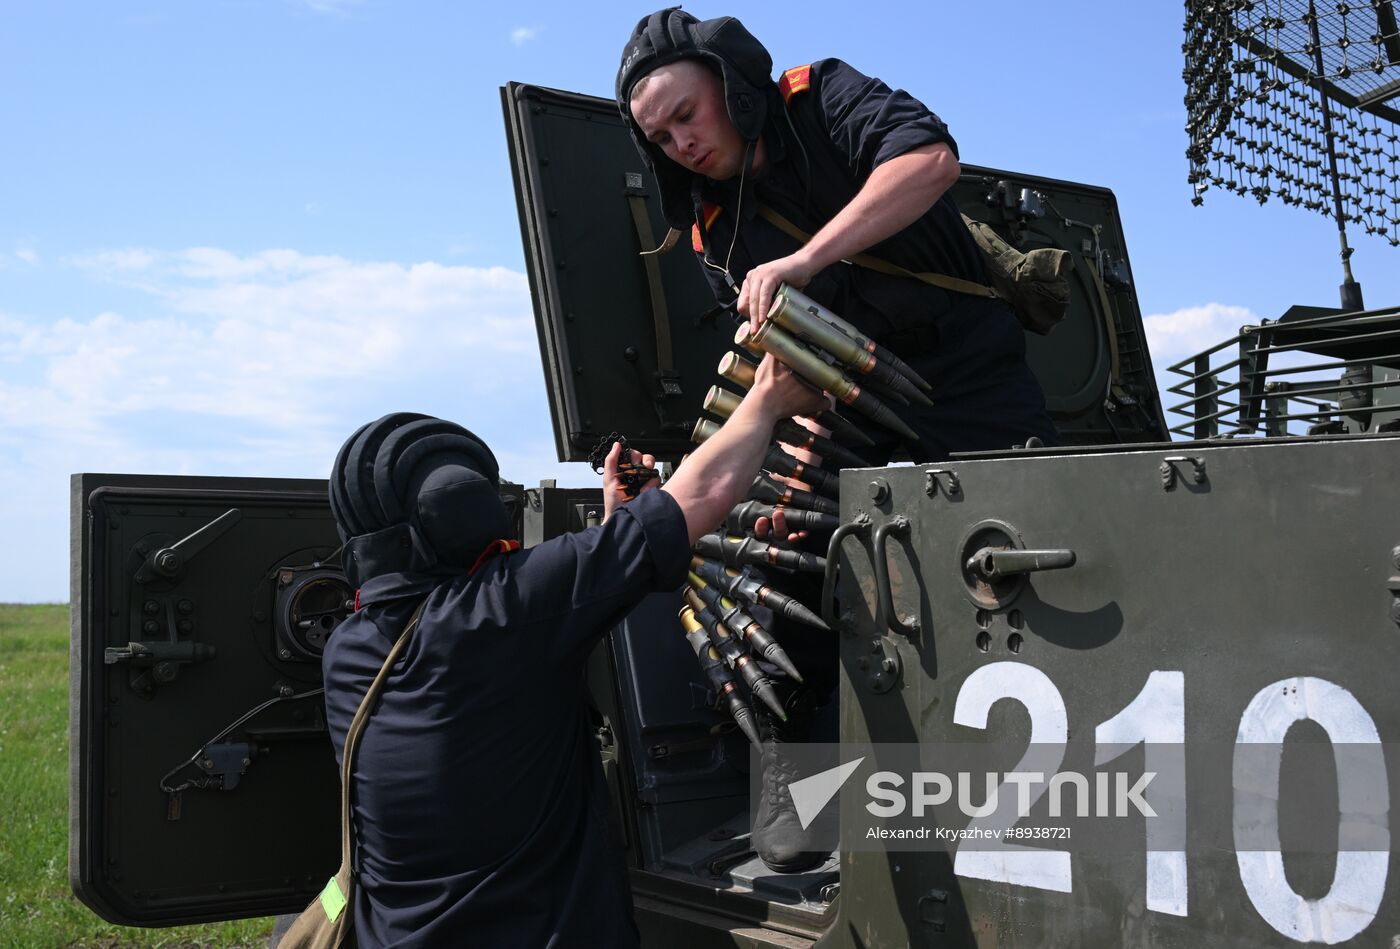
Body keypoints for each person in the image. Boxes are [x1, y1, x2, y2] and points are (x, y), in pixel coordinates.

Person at [616, 8, 1058, 873]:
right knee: (785, 567)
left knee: (1021, 566)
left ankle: (1036, 790)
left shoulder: (821, 100)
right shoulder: (714, 224)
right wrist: (795, 454)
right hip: (858, 412)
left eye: (687, 114)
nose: (679, 142)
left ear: (731, 88)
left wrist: (806, 258)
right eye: (658, 135)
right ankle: (804, 800)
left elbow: (931, 162)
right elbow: (796, 353)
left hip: (972, 384)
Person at [320, 357, 823, 947]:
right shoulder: (500, 614)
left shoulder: (349, 650)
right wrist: (765, 399)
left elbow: (530, 643)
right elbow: (704, 496)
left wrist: (620, 528)